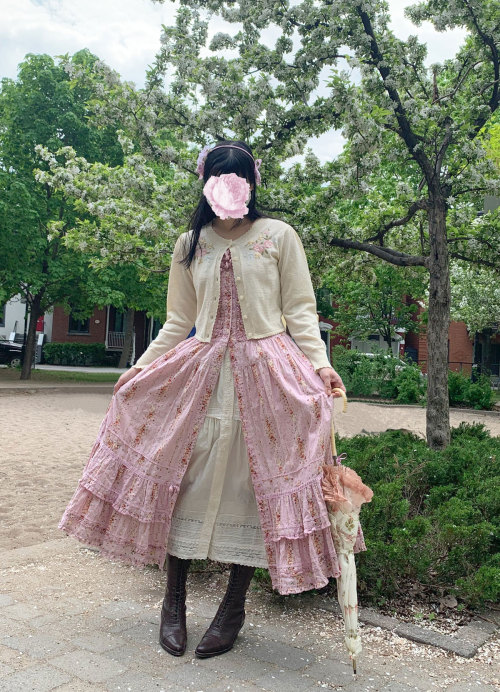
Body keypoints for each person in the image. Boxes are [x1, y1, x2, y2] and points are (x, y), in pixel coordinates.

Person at [58, 139, 367, 660]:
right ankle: (172, 602)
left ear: (251, 184)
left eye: (238, 175)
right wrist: (140, 366)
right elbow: (178, 321)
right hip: (199, 371)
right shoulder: (190, 244)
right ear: (207, 183)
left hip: (269, 376)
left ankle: (232, 608)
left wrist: (321, 364)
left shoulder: (279, 236)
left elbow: (300, 310)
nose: (230, 183)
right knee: (185, 478)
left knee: (253, 482)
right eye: (221, 175)